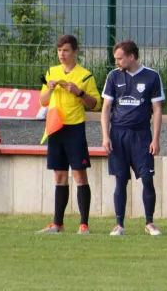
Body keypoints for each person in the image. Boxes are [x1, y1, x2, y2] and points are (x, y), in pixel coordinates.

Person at [37, 35, 101, 234]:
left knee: (80, 175)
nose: (61, 54)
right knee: (59, 176)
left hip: (74, 128)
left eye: (65, 50)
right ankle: (58, 224)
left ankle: (84, 225)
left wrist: (79, 92)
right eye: (59, 50)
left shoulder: (85, 75)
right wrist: (49, 89)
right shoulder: (52, 72)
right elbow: (43, 102)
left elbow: (95, 104)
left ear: (75, 52)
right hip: (55, 127)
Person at [101, 40, 165, 236]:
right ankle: (119, 225)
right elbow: (105, 109)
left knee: (147, 178)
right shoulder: (113, 76)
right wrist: (105, 136)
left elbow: (157, 109)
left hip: (142, 136)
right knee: (120, 180)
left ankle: (150, 223)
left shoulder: (152, 76)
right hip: (118, 134)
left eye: (120, 58)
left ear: (131, 56)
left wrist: (155, 139)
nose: (117, 62)